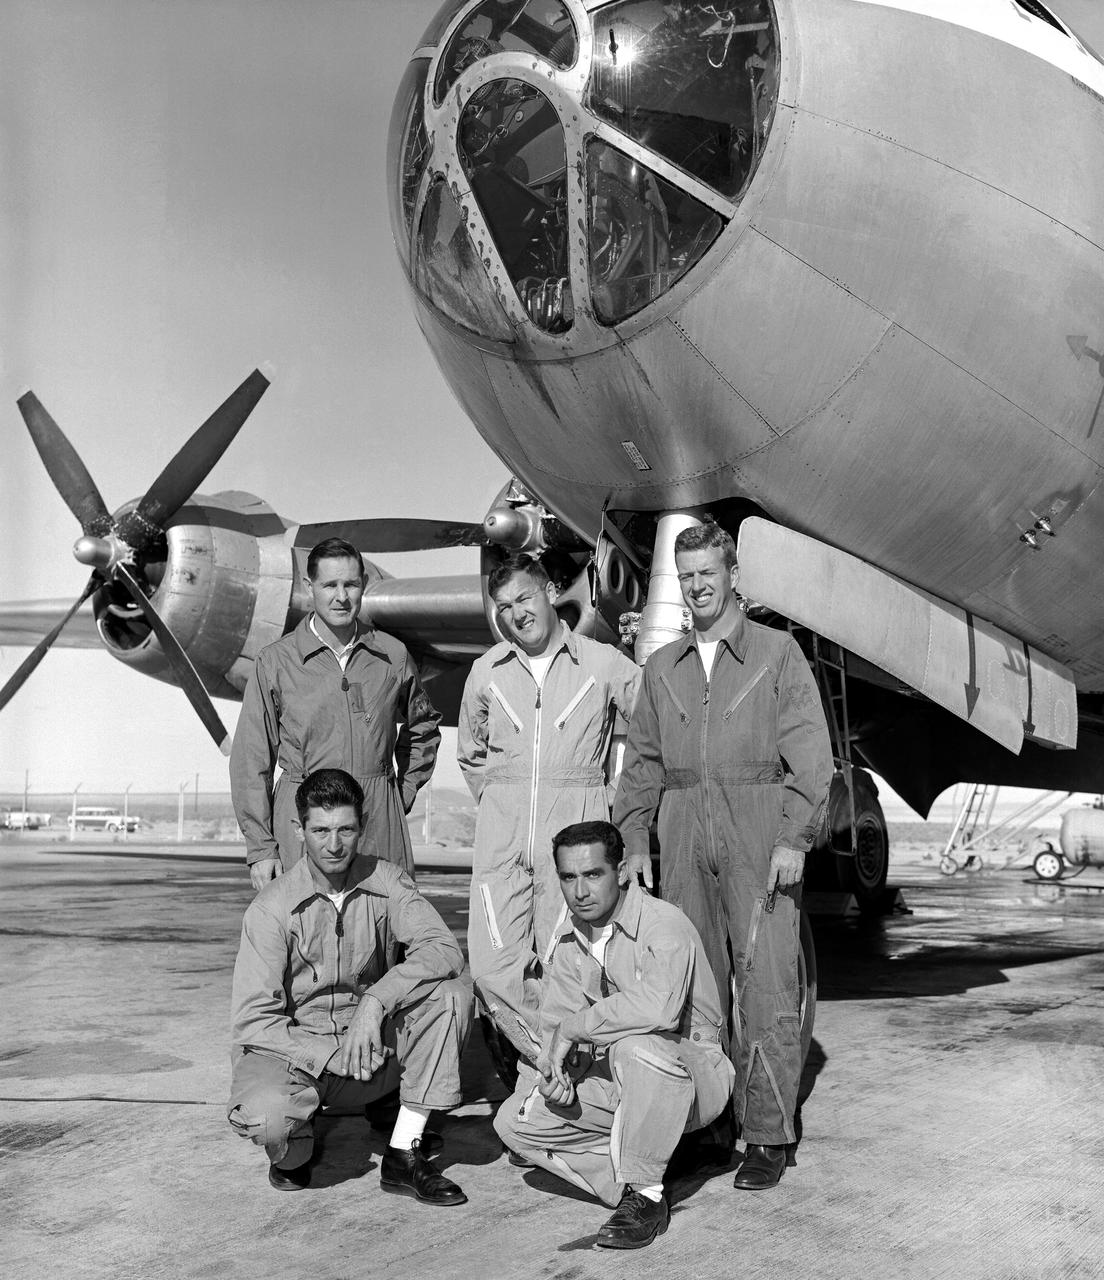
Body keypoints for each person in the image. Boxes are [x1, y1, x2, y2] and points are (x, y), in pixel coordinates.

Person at [613, 518, 833, 1191]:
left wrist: (794, 837)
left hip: (758, 829)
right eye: (687, 578)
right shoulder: (662, 667)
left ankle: (768, 1133)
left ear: (734, 575)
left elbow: (812, 759)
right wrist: (631, 841)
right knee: (694, 992)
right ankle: (708, 1125)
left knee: (765, 982)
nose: (699, 587)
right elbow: (642, 763)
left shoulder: (777, 653)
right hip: (682, 831)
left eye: (709, 573)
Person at [227, 768, 472, 1203]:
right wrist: (328, 1055)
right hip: (299, 1055)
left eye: (346, 829)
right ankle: (297, 1141)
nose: (334, 844)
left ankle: (404, 1150)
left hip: (371, 1047)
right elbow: (253, 1023)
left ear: (362, 826)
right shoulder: (271, 909)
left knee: (453, 993)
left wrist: (377, 1000)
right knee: (268, 1120)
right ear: (298, 830)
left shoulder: (388, 881)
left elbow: (443, 949)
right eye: (320, 830)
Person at [495, 821, 735, 1249]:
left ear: (622, 871)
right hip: (617, 1078)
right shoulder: (569, 941)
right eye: (569, 877)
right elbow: (555, 1027)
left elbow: (658, 1007)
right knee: (514, 1122)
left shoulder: (664, 924)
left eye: (593, 874)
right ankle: (635, 1172)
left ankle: (647, 1193)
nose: (580, 891)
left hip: (694, 1076)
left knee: (635, 1045)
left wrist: (577, 1027)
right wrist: (553, 1077)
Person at [457, 554, 640, 1063]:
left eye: (524, 598)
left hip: (576, 836)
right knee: (493, 970)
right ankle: (551, 1064)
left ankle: (549, 1100)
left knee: (569, 970)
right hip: (502, 837)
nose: (516, 613)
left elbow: (654, 725)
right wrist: (502, 804)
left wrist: (614, 804)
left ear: (550, 591)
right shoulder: (486, 671)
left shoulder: (600, 662)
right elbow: (471, 754)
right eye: (504, 606)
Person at [230, 536, 441, 891]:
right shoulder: (276, 661)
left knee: (385, 933)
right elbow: (251, 759)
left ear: (364, 586)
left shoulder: (392, 656)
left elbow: (423, 726)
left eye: (351, 584)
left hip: (377, 822)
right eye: (330, 585)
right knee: (304, 934)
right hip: (303, 820)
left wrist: (400, 791)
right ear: (309, 587)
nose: (341, 597)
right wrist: (261, 848)